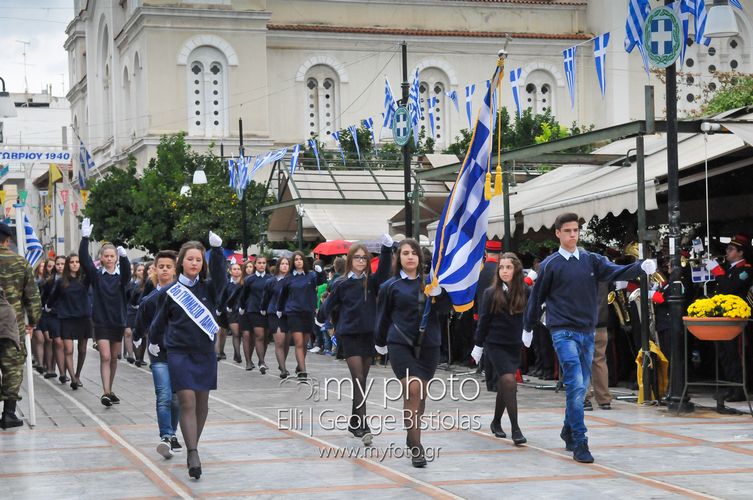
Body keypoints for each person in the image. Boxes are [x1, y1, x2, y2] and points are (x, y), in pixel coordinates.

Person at [523, 213, 655, 464]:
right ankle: (580, 440)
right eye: (568, 230)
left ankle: (567, 429)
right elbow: (537, 296)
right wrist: (528, 326)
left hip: (587, 331)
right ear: (558, 233)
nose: (573, 234)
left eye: (576, 230)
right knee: (576, 383)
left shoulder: (591, 260)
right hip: (562, 331)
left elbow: (616, 271)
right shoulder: (550, 265)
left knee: (581, 385)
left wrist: (640, 267)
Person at [149, 232, 225, 479]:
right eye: (190, 259)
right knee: (187, 402)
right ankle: (193, 453)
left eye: (199, 260)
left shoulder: (209, 288)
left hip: (204, 353)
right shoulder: (170, 291)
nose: (194, 263)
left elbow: (221, 277)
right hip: (179, 353)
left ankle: (194, 444)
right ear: (181, 261)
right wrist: (153, 342)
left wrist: (217, 251)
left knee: (202, 404)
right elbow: (159, 321)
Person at [375, 238, 450, 468]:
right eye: (405, 253)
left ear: (420, 257)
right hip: (400, 343)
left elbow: (446, 311)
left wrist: (440, 294)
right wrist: (379, 343)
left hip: (429, 345)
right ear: (398, 257)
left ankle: (412, 434)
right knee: (413, 389)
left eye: (414, 253)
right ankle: (417, 447)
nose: (410, 257)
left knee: (421, 396)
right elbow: (382, 316)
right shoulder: (390, 286)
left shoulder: (432, 282)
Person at [317, 236, 393, 445]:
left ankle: (354, 422)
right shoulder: (341, 283)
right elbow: (329, 303)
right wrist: (320, 318)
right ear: (350, 260)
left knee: (361, 381)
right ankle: (364, 425)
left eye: (364, 258)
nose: (361, 261)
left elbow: (384, 271)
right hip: (349, 336)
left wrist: (387, 249)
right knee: (358, 379)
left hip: (368, 336)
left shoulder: (372, 282)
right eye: (357, 257)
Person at [472, 252, 529, 446]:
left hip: (514, 345)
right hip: (495, 344)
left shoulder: (525, 290)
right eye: (501, 267)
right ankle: (516, 429)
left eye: (509, 267)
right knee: (509, 381)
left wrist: (529, 330)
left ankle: (496, 422)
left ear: (516, 270)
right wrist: (478, 345)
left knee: (506, 385)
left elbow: (533, 311)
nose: (504, 271)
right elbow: (484, 321)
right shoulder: (491, 293)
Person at [133, 250, 182, 459]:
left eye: (169, 267)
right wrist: (138, 336)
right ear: (155, 269)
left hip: (179, 352)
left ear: (175, 269)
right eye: (161, 266)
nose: (164, 270)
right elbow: (141, 319)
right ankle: (166, 436)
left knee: (176, 398)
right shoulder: (150, 298)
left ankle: (173, 432)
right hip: (158, 353)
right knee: (163, 395)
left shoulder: (183, 295)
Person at [79, 218, 132, 407]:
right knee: (106, 356)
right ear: (101, 258)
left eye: (112, 256)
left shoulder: (120, 278)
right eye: (106, 256)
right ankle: (105, 392)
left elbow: (127, 275)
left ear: (115, 258)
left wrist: (124, 258)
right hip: (101, 322)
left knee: (114, 358)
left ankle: (110, 389)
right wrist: (85, 238)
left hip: (117, 321)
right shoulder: (96, 276)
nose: (109, 259)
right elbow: (84, 261)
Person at [0, 222, 41, 429]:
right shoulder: (20, 262)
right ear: (8, 240)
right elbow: (32, 297)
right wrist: (33, 321)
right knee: (13, 368)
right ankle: (8, 413)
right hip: (12, 325)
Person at [705, 234, 752, 405]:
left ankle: (740, 390)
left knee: (735, 355)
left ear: (741, 252)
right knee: (724, 354)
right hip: (723, 317)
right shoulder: (729, 269)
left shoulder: (745, 270)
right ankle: (731, 387)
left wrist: (717, 271)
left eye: (731, 249)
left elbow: (730, 288)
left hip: (735, 318)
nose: (727, 251)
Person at [277, 251, 324, 379]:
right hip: (293, 313)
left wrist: (320, 272)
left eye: (300, 259)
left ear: (304, 261)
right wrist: (279, 309)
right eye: (296, 259)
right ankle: (303, 371)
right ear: (293, 262)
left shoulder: (311, 276)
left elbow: (321, 281)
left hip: (308, 312)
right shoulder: (288, 278)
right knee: (298, 342)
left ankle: (299, 365)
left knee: (304, 343)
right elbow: (282, 295)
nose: (298, 261)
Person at [48, 253, 91, 390]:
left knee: (82, 349)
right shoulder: (61, 282)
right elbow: (53, 297)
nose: (75, 264)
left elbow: (90, 267)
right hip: (67, 318)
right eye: (72, 262)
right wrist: (48, 306)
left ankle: (77, 375)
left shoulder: (85, 279)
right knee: (68, 349)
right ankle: (72, 378)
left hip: (83, 318)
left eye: (77, 262)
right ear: (68, 264)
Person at [234, 256, 271, 372]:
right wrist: (242, 307)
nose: (261, 265)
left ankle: (261, 359)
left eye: (263, 263)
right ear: (255, 265)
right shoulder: (250, 279)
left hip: (267, 311)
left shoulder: (270, 278)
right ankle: (257, 362)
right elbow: (243, 295)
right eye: (259, 263)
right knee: (258, 335)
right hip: (253, 309)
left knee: (265, 338)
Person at [261, 256, 291, 378]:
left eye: (287, 264)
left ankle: (282, 363)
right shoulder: (271, 281)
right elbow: (265, 297)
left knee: (287, 343)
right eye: (282, 263)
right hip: (274, 313)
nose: (284, 266)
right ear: (278, 265)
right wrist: (263, 308)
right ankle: (283, 369)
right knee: (279, 341)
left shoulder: (292, 280)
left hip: (288, 313)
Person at [583, 281, 612, 411]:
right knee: (599, 359)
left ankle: (584, 397)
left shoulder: (580, 271)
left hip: (583, 322)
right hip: (601, 321)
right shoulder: (603, 272)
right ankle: (604, 399)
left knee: (582, 359)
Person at [217, 260, 243, 364]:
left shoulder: (243, 283)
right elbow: (222, 297)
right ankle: (220, 352)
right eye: (234, 269)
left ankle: (237, 354)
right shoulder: (227, 284)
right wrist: (219, 309)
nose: (237, 271)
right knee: (222, 332)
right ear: (230, 271)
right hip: (225, 311)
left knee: (236, 333)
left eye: (238, 269)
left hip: (237, 311)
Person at [124, 263, 145, 363]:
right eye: (139, 270)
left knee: (141, 334)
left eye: (143, 270)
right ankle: (130, 355)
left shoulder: (148, 283)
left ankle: (139, 358)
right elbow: (126, 297)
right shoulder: (131, 284)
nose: (141, 272)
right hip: (130, 310)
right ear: (135, 272)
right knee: (128, 332)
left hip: (142, 311)